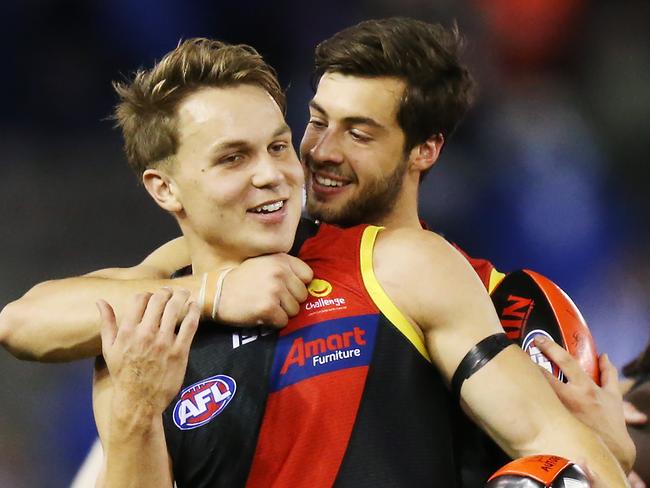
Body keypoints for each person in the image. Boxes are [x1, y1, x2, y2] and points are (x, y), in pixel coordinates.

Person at [0, 20, 632, 487]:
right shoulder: (146, 334)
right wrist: (149, 396)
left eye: (277, 146)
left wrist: (610, 463)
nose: (276, 172)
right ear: (165, 188)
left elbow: (553, 442)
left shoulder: (399, 264)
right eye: (233, 158)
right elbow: (20, 321)